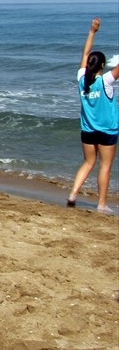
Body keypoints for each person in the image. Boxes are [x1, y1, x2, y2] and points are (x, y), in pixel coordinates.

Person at [67, 18, 118, 214]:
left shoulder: (81, 79)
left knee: (88, 163)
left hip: (87, 130)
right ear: (103, 66)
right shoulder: (106, 81)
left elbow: (85, 53)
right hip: (107, 131)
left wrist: (92, 31)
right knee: (105, 167)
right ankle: (101, 204)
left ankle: (72, 195)